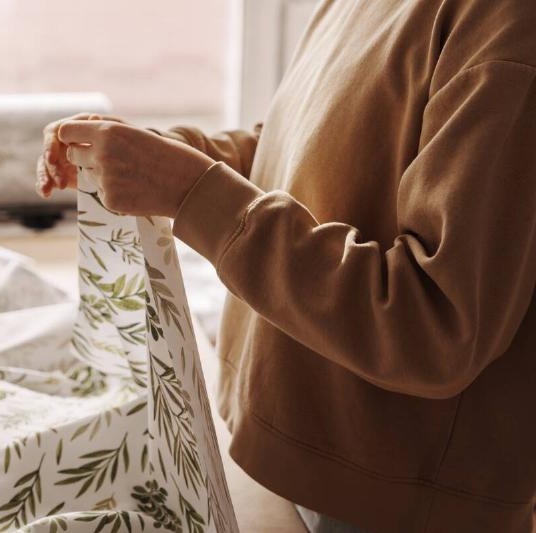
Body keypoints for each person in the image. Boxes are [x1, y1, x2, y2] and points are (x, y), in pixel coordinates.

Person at [36, 1, 536, 531]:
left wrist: (192, 192)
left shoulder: (509, 26)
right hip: (275, 452)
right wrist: (168, 156)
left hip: (381, 501)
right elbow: (301, 145)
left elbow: (435, 326)